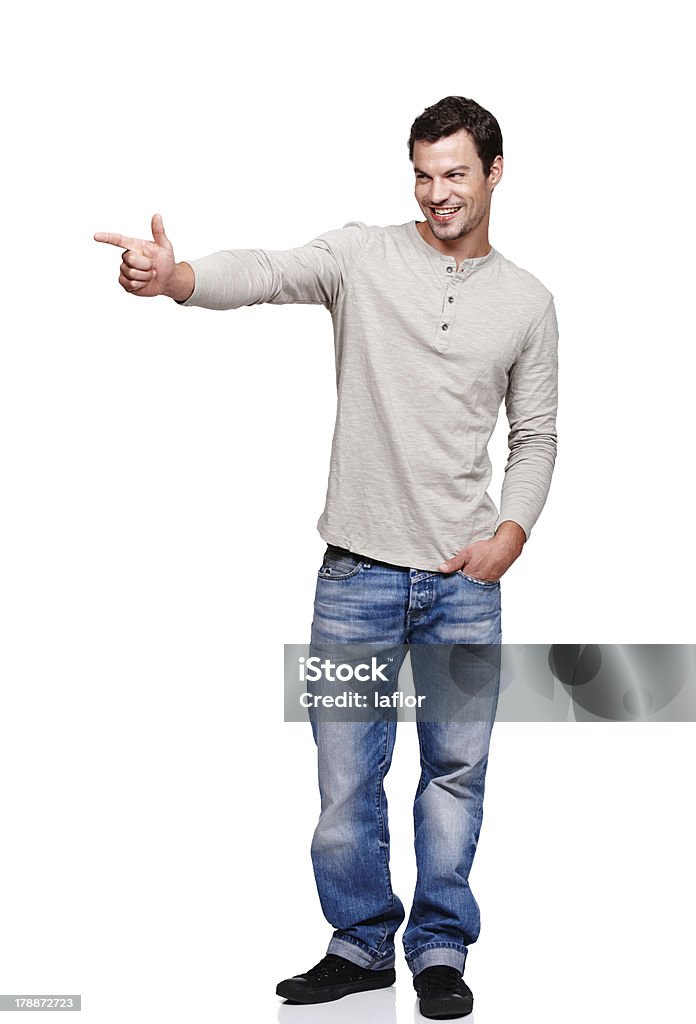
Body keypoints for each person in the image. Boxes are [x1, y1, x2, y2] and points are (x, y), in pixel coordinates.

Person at [94, 95, 558, 1020]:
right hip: (356, 577)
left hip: (464, 587)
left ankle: (438, 949)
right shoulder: (362, 256)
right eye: (423, 174)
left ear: (494, 173)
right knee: (347, 777)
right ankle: (359, 944)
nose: (436, 193)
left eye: (455, 173)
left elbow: (536, 434)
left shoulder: (529, 303)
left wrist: (512, 532)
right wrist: (179, 276)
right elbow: (265, 272)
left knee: (454, 775)